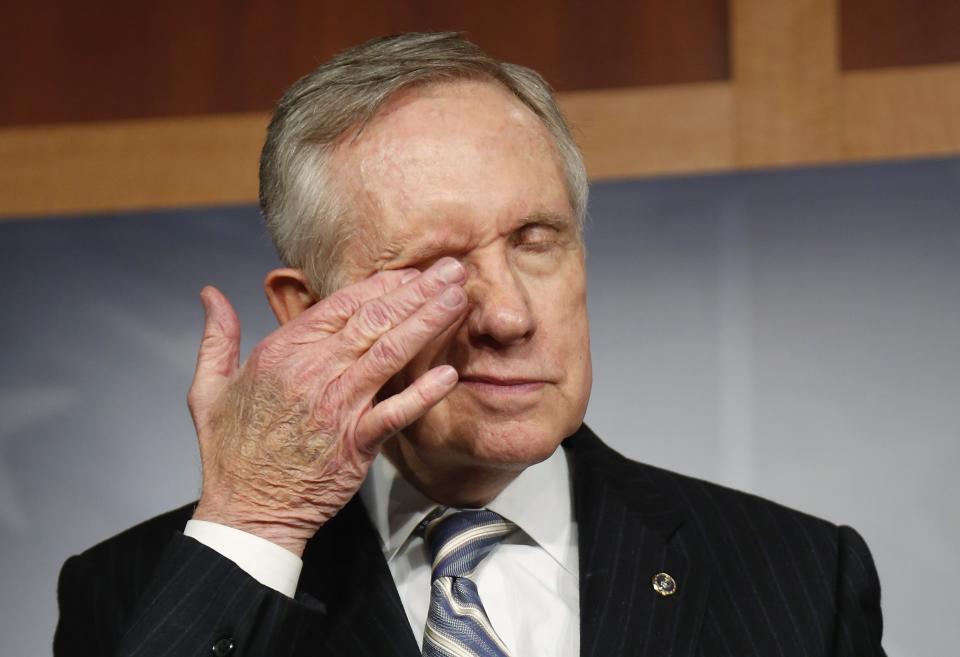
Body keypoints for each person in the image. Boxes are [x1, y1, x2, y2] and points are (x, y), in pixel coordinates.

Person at [54, 32, 885, 657]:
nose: (509, 315)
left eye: (535, 238)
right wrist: (254, 526)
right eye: (435, 265)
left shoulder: (801, 577)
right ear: (308, 312)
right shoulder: (131, 594)